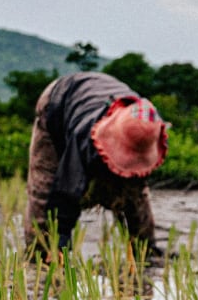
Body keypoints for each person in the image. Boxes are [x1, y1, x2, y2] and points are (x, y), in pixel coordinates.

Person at [23, 71, 168, 254]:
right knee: (44, 187)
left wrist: (144, 247)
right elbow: (66, 191)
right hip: (58, 101)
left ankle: (145, 248)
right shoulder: (84, 137)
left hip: (99, 97)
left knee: (133, 190)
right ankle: (41, 252)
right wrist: (58, 244)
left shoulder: (147, 125)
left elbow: (137, 192)